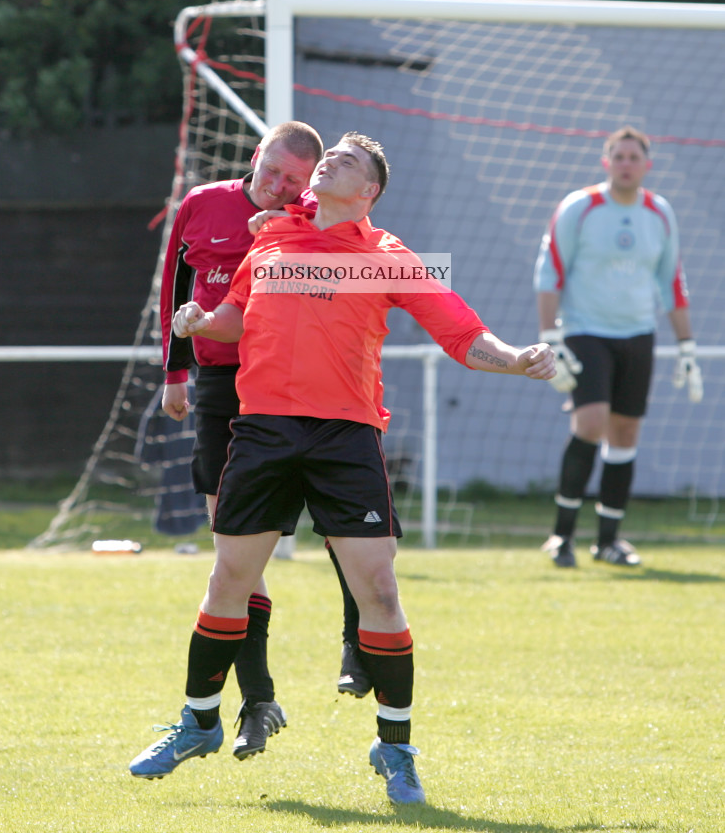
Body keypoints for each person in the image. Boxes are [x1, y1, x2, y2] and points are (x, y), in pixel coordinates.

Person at [130, 131, 556, 802]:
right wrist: (199, 321)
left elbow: (459, 331)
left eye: (347, 163)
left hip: (344, 437)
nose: (329, 162)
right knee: (228, 581)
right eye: (329, 157)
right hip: (263, 429)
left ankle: (394, 749)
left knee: (379, 592)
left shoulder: (387, 256)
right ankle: (200, 721)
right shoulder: (268, 241)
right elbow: (237, 318)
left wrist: (516, 359)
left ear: (369, 193)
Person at [158, 119, 369, 763]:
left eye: (294, 181)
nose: (279, 188)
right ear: (256, 156)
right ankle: (258, 700)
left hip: (295, 389)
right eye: (272, 172)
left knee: (346, 526)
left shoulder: (306, 213)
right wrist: (173, 371)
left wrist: (288, 219)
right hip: (222, 387)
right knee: (232, 550)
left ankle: (358, 639)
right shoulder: (201, 204)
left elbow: (344, 227)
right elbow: (175, 284)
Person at [534, 125, 703, 570]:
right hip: (586, 332)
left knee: (625, 434)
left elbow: (672, 281)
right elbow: (549, 272)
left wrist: (686, 346)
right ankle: (562, 536)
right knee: (591, 424)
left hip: (638, 335)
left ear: (647, 165)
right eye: (619, 157)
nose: (626, 164)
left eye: (634, 157)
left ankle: (609, 541)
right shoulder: (580, 207)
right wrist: (550, 338)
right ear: (606, 163)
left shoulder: (660, 212)